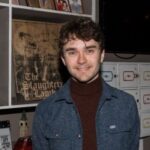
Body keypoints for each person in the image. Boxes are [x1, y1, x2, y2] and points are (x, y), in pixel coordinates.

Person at [32, 18, 140, 150]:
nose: (81, 60)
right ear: (63, 59)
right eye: (72, 52)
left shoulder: (126, 104)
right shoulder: (45, 110)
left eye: (89, 50)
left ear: (101, 55)